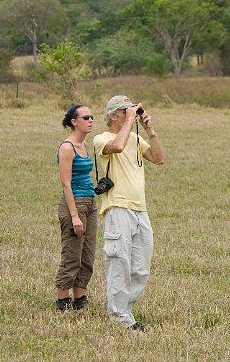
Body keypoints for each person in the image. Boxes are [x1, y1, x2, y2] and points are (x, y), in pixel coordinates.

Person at [93, 95, 165, 331]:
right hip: (118, 208)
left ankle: (124, 308)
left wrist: (150, 130)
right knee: (119, 261)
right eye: (125, 111)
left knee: (141, 267)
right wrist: (129, 121)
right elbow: (118, 146)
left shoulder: (135, 137)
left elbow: (159, 158)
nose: (130, 113)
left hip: (140, 208)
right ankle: (120, 317)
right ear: (114, 116)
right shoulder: (101, 139)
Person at [56, 104, 97, 311]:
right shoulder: (67, 147)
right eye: (86, 117)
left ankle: (80, 298)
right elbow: (66, 184)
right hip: (75, 203)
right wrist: (74, 216)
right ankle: (62, 300)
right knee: (72, 254)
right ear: (74, 122)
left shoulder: (84, 145)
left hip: (90, 202)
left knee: (88, 255)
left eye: (92, 117)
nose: (90, 120)